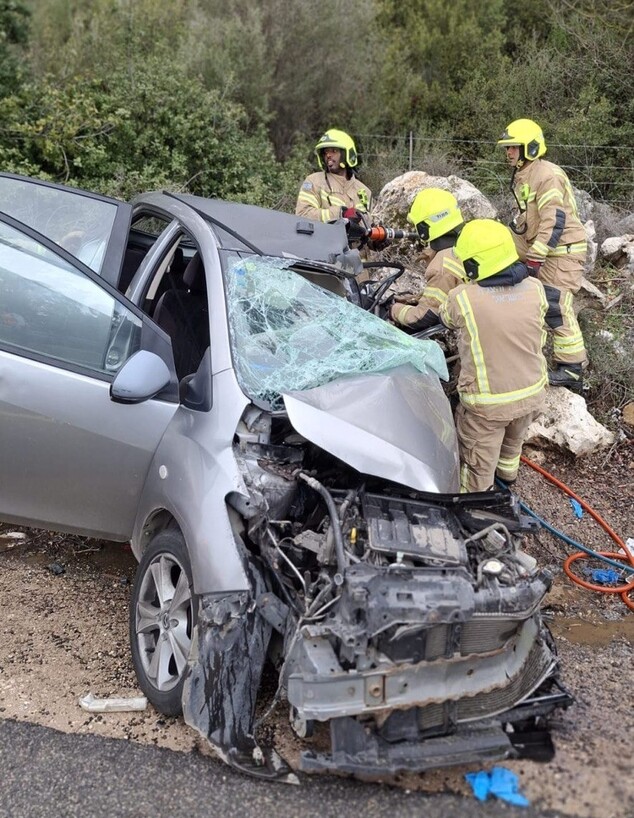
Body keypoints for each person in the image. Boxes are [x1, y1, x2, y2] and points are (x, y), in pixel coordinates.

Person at [439, 219, 548, 493]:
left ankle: (476, 509)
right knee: (512, 445)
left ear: (473, 264)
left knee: (477, 464)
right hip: (532, 395)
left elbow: (445, 317)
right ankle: (508, 480)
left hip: (488, 407)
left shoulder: (462, 298)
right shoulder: (536, 289)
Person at [497, 118, 587, 392]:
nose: (508, 152)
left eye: (514, 147)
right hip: (548, 248)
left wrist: (535, 257)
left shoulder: (547, 175)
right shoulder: (528, 174)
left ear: (530, 148)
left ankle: (572, 369)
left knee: (556, 304)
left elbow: (554, 220)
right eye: (508, 147)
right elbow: (533, 216)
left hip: (562, 252)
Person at [390, 188, 466, 331]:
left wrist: (394, 310)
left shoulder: (442, 265)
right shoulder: (470, 241)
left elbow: (425, 316)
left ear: (424, 228)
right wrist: (414, 299)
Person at [296, 129, 372, 229]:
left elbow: (369, 229)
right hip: (325, 243)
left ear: (347, 154)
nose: (328, 155)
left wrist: (376, 242)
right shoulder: (313, 182)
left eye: (334, 151)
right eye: (325, 152)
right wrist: (340, 213)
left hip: (357, 245)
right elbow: (303, 214)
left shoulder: (364, 191)